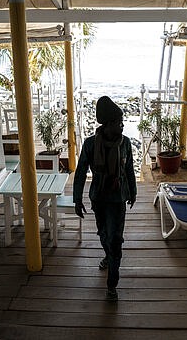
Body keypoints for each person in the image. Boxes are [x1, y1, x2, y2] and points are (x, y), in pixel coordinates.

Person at [73, 96, 137, 301]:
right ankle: (109, 256)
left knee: (116, 239)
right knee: (103, 233)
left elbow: (129, 170)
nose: (122, 126)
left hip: (118, 199)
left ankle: (112, 284)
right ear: (108, 124)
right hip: (99, 197)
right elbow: (81, 171)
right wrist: (77, 198)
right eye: (119, 123)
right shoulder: (91, 144)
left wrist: (133, 191)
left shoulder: (125, 143)